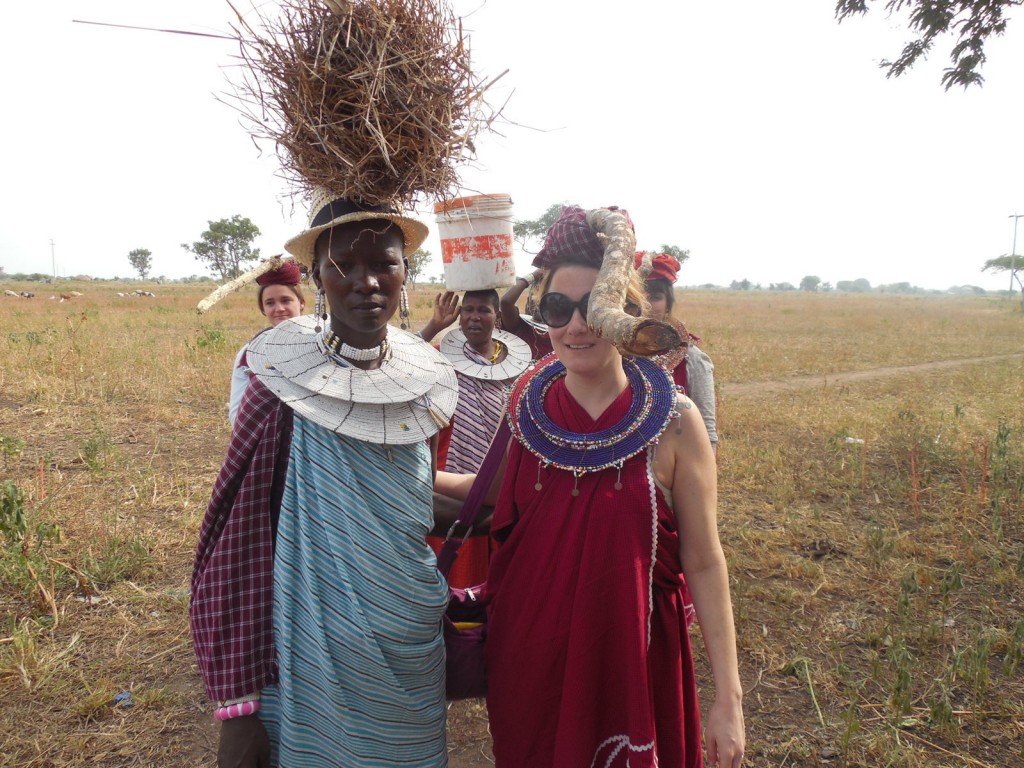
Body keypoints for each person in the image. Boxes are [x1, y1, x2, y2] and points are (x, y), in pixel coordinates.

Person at [190, 191, 472, 768]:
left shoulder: (420, 381)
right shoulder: (278, 386)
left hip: (409, 642)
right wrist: (238, 704)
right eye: (344, 263)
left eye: (384, 262)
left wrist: (513, 507)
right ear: (318, 276)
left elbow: (405, 501)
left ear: (405, 272)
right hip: (311, 647)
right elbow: (234, 540)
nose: (365, 281)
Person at [484, 206, 745, 768]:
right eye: (557, 307)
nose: (576, 327)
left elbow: (703, 561)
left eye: (594, 310)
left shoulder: (676, 422)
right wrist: (399, 478)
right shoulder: (527, 405)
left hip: (635, 657)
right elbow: (492, 497)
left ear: (628, 317)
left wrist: (730, 698)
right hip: (530, 660)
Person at [418, 288, 531, 586]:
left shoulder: (515, 369)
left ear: (497, 317)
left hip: (498, 480)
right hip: (446, 481)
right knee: (448, 562)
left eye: (483, 310)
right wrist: (434, 326)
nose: (474, 317)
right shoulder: (441, 359)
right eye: (467, 310)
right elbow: (402, 363)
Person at [642, 252, 718, 452]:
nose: (646, 305)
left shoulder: (691, 359)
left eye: (655, 297)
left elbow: (707, 432)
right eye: (637, 297)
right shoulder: (611, 353)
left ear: (668, 304)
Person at [227, 261, 305, 426]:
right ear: (263, 309)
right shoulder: (250, 354)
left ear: (301, 303)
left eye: (286, 300)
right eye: (270, 303)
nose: (279, 308)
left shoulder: (323, 345)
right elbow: (236, 415)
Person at [498, 270, 553, 360]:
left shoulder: (557, 333)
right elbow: (505, 302)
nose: (537, 305)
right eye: (534, 300)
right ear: (527, 304)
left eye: (545, 300)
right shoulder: (520, 326)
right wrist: (532, 276)